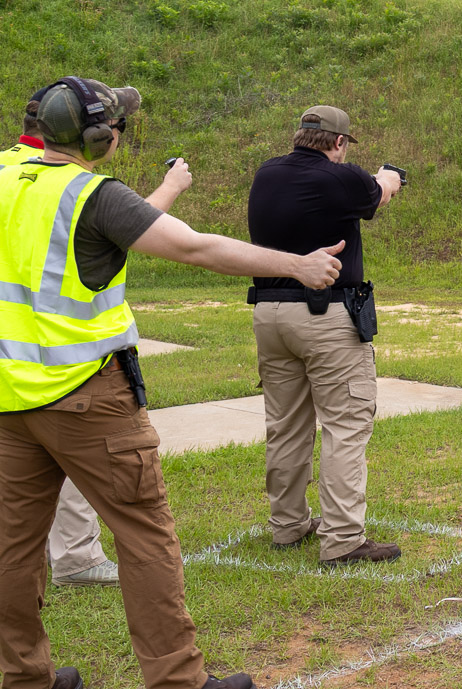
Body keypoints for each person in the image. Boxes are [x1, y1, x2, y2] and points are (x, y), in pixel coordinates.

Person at [0, 76, 345, 689]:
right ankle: (178, 682)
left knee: (12, 548)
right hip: (89, 397)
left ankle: (23, 677)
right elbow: (197, 249)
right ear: (100, 139)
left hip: (8, 400)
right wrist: (296, 264)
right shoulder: (92, 195)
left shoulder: (5, 175)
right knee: (145, 537)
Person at [0, 87, 194, 589]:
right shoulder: (72, 186)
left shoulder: (7, 169)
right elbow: (132, 230)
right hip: (71, 371)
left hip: (13, 371)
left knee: (14, 535)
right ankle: (76, 556)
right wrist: (170, 188)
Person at [246, 105, 402, 568]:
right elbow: (379, 194)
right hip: (325, 316)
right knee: (346, 425)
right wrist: (390, 176)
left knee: (286, 425)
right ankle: (343, 539)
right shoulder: (343, 177)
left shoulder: (267, 173)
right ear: (338, 142)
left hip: (270, 314)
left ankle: (287, 524)